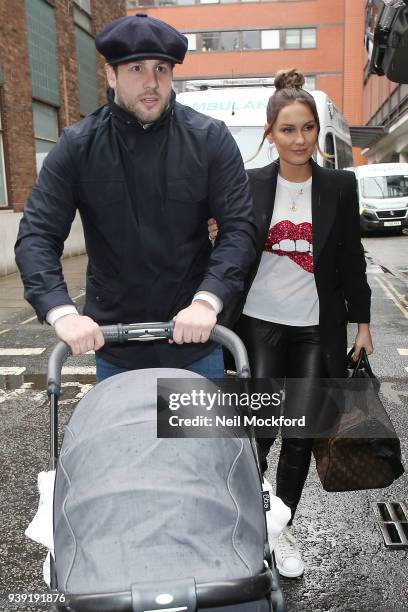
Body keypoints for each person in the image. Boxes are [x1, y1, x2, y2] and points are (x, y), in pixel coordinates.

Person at [15, 14, 256, 381]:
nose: (151, 82)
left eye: (162, 69)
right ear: (111, 76)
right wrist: (62, 312)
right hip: (116, 348)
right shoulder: (78, 147)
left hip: (194, 342)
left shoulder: (209, 140)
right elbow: (36, 236)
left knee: (197, 440)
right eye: (136, 68)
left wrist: (208, 300)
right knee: (121, 440)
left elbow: (239, 228)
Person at [208, 68, 373, 578]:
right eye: (287, 129)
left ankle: (281, 530)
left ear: (317, 132)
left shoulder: (340, 186)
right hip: (257, 324)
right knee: (257, 432)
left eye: (307, 128)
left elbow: (351, 260)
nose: (298, 139)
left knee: (300, 433)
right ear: (269, 133)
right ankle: (249, 524)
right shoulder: (247, 185)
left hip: (315, 328)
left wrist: (363, 322)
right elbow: (226, 245)